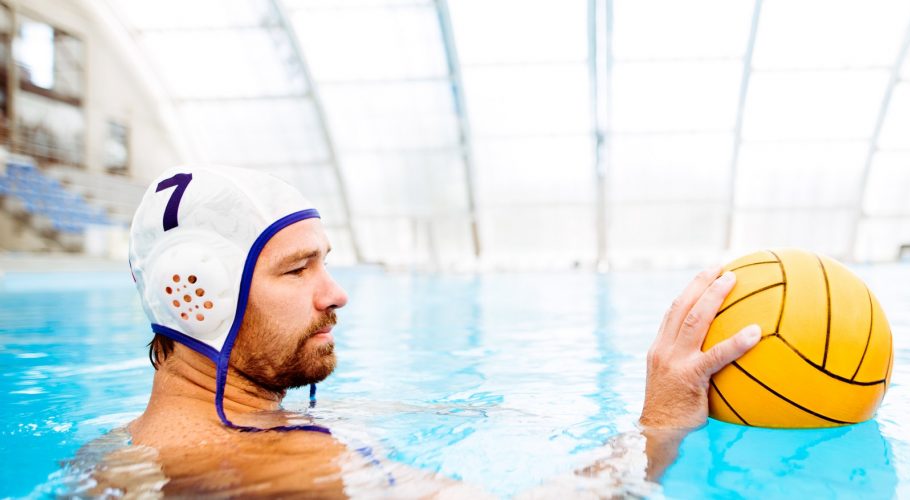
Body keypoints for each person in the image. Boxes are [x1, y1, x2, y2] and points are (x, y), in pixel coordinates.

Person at [84, 165, 761, 497]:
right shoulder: (245, 463)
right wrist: (658, 425)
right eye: (297, 269)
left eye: (327, 262)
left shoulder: (154, 435)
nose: (335, 293)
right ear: (196, 299)